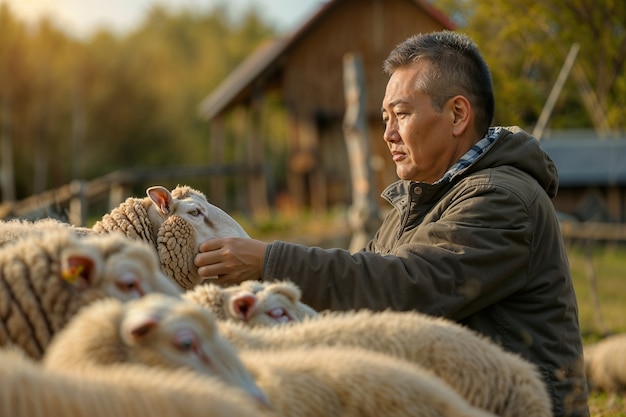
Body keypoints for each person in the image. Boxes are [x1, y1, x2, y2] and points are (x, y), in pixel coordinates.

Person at [195, 30, 589, 417]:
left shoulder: (502, 199)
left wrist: (270, 261)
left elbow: (404, 286)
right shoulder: (416, 202)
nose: (387, 134)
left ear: (457, 115)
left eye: (401, 114)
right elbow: (355, 293)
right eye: (385, 118)